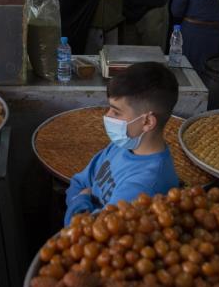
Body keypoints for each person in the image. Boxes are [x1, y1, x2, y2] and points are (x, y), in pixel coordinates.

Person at [63, 62, 180, 226]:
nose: (108, 115)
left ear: (147, 121)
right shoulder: (123, 145)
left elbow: (86, 232)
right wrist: (82, 199)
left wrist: (82, 199)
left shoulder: (144, 186)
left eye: (116, 112)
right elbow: (79, 182)